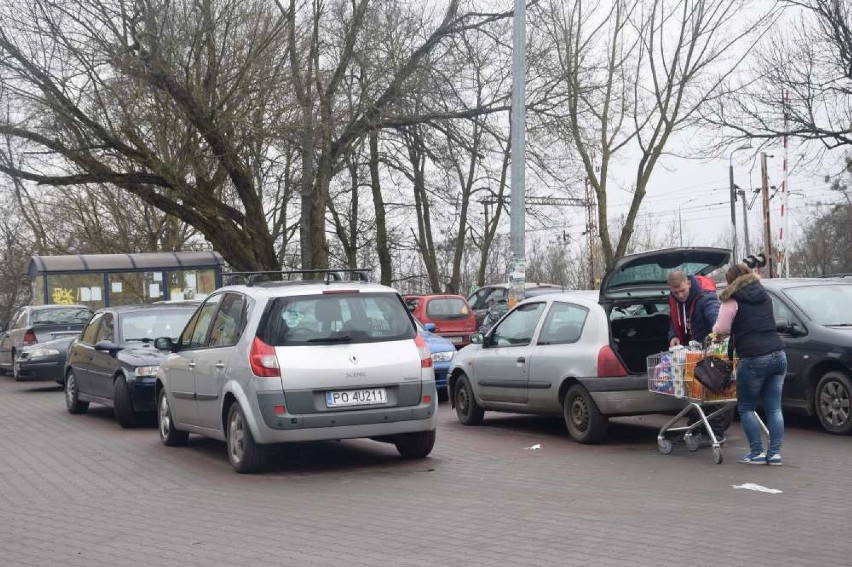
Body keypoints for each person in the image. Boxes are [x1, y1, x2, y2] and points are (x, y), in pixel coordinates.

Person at [713, 263, 787, 466]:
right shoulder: (764, 295)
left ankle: (756, 452)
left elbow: (722, 328)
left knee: (746, 407)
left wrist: (716, 335)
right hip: (778, 354)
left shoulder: (732, 299)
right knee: (774, 408)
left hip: (754, 357)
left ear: (730, 281)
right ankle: (775, 454)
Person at [666, 270, 728, 443]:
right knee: (694, 392)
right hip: (691, 352)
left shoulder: (705, 298)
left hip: (709, 352)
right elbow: (674, 320)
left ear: (689, 283)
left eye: (682, 291)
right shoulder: (675, 301)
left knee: (711, 392)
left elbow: (715, 319)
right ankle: (695, 429)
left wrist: (714, 338)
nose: (680, 295)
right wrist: (673, 336)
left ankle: (715, 433)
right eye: (675, 292)